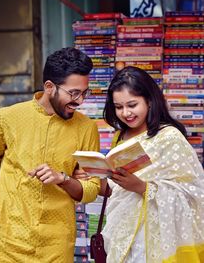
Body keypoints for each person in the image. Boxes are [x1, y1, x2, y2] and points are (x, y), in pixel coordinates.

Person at [0, 47, 101, 262]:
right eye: (73, 93)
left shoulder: (86, 128)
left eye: (84, 93)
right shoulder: (8, 117)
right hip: (2, 243)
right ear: (49, 87)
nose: (80, 101)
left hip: (54, 246)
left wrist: (63, 179)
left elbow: (92, 188)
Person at [75, 66, 204, 262]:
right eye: (118, 107)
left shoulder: (169, 137)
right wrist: (92, 176)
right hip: (120, 235)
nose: (125, 113)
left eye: (132, 105)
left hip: (154, 240)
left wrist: (142, 187)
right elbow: (114, 191)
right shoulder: (120, 137)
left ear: (150, 101)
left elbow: (193, 194)